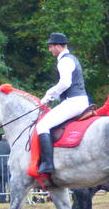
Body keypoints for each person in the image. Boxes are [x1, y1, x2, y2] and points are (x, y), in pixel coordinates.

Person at [36, 32, 90, 174]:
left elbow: (65, 83)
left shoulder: (65, 61)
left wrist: (48, 96)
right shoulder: (71, 59)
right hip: (79, 100)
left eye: (51, 46)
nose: (50, 50)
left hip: (73, 101)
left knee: (42, 126)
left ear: (59, 46)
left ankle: (48, 164)